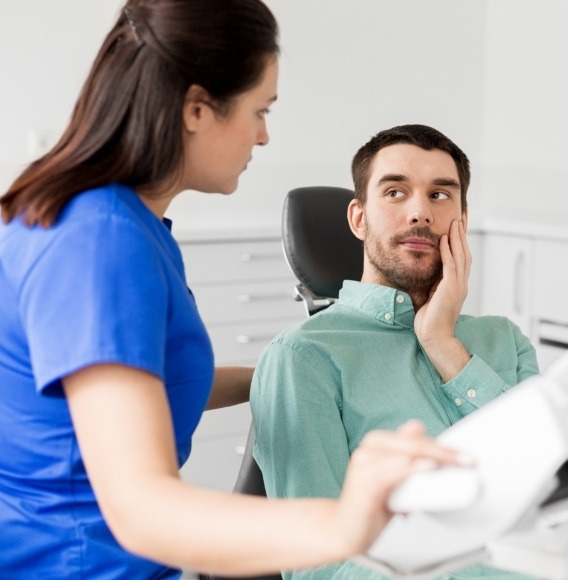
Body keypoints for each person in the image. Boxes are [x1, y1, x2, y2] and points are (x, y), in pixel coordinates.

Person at [0, 6, 467, 578]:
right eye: (259, 110)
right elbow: (142, 512)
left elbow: (139, 384)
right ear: (198, 109)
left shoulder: (117, 223)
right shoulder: (101, 243)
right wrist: (346, 522)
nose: (265, 135)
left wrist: (293, 367)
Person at [251, 124, 568, 579]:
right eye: (396, 192)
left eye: (440, 195)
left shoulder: (504, 339)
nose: (420, 212)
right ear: (359, 218)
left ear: (462, 218)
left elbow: (550, 492)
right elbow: (319, 570)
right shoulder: (303, 358)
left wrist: (443, 343)